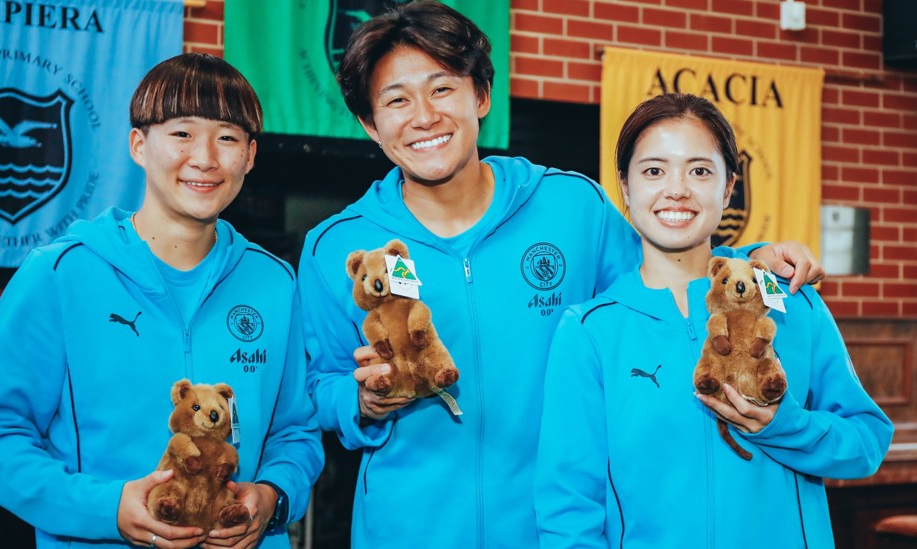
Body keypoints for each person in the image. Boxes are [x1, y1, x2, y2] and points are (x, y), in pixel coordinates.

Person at [298, 2, 823, 547]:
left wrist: (751, 260)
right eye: (396, 100)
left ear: (480, 96)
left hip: (559, 527)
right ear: (370, 124)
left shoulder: (572, 206)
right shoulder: (334, 246)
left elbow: (664, 277)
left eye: (442, 88)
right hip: (405, 530)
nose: (424, 115)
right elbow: (318, 388)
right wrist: (362, 402)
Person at [0, 53, 323, 549]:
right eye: (182, 133)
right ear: (138, 145)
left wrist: (273, 497)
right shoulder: (60, 273)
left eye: (228, 137)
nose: (206, 157)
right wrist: (105, 508)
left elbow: (296, 432)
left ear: (250, 156)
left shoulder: (276, 281)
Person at [533, 93, 892, 548]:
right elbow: (569, 509)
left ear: (727, 187)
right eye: (654, 170)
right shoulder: (589, 332)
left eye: (700, 170)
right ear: (624, 186)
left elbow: (867, 441)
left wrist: (785, 426)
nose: (677, 189)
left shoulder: (789, 303)